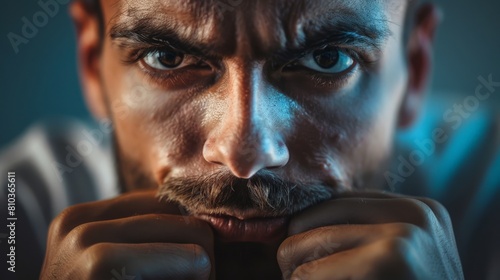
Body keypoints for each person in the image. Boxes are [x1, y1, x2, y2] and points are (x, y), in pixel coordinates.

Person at [1, 0, 499, 279]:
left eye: (328, 60)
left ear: (413, 68)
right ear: (93, 65)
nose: (243, 152)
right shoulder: (14, 213)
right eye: (167, 58)